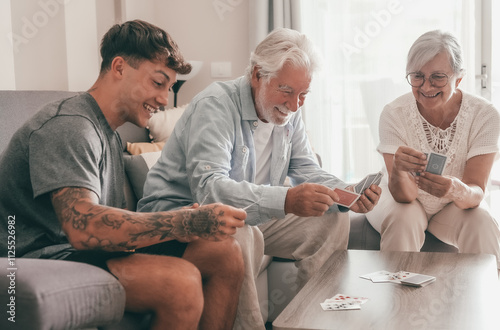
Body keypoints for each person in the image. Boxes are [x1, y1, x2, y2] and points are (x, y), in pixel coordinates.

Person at [0, 20, 246, 330]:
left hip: (83, 252)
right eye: (158, 83)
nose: (163, 99)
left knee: (224, 252)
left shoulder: (109, 134)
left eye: (169, 88)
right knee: (179, 283)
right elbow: (83, 226)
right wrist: (183, 222)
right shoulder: (69, 125)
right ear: (119, 67)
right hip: (40, 255)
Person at [138, 27, 381, 329]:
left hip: (249, 217)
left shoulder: (290, 113)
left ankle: (312, 322)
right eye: (286, 91)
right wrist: (288, 199)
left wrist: (347, 193)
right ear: (257, 75)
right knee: (239, 230)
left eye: (304, 94)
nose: (294, 105)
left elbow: (308, 169)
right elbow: (210, 190)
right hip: (181, 220)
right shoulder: (215, 105)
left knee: (332, 217)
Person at [366, 30, 500, 268]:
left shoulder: (485, 115)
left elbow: (476, 191)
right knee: (403, 219)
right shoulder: (393, 114)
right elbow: (404, 196)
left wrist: (456, 190)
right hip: (401, 199)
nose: (426, 87)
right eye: (417, 76)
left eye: (437, 77)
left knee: (482, 220)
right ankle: (398, 302)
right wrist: (398, 170)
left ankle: (485, 301)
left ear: (458, 79)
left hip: (452, 204)